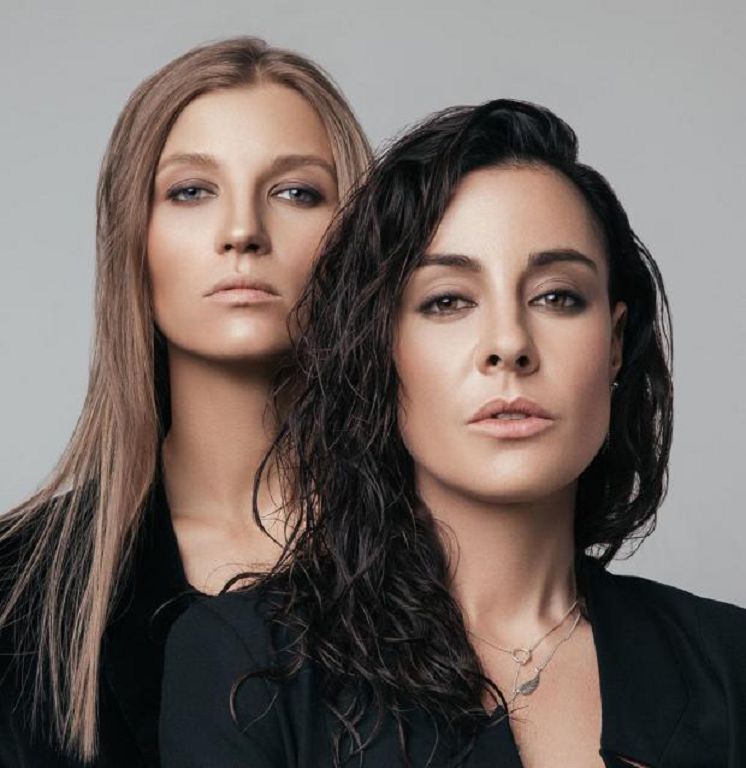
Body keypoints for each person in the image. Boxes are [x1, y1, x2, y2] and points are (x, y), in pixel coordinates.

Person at [160, 99, 746, 768]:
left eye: (557, 296)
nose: (508, 344)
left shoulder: (728, 662)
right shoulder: (246, 665)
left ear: (613, 344)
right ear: (382, 348)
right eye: (448, 301)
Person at [0, 37, 371, 767]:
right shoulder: (16, 593)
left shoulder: (453, 563)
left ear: (356, 238)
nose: (243, 232)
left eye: (297, 192)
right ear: (132, 241)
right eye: (192, 191)